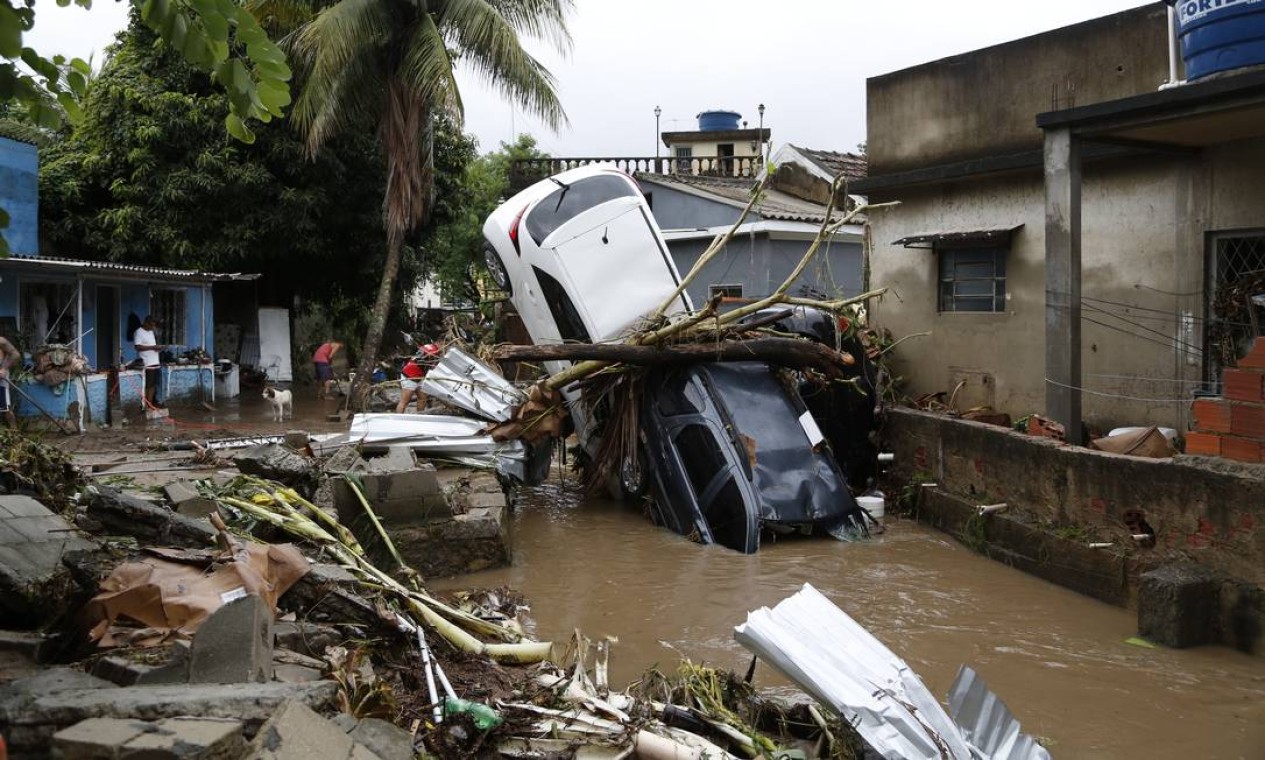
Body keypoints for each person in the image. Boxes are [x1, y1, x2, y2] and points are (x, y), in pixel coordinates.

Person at [133, 315, 166, 409]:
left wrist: (158, 348)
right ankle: (147, 405)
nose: (152, 327)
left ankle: (150, 403)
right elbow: (137, 347)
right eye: (151, 325)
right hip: (147, 362)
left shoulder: (151, 332)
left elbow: (152, 345)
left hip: (155, 361)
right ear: (146, 323)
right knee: (148, 384)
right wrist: (152, 347)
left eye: (153, 325)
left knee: (154, 384)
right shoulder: (139, 332)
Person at [397, 342, 440, 414]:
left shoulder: (428, 346)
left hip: (419, 376)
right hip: (410, 376)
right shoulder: (433, 350)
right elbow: (426, 362)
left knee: (422, 398)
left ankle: (420, 416)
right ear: (441, 342)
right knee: (404, 401)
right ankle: (397, 420)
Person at [0, 335, 20, 428]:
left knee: (5, 408)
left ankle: (15, 434)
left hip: (1, 377)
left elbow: (15, 354)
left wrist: (4, 368)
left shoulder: (1, 341)